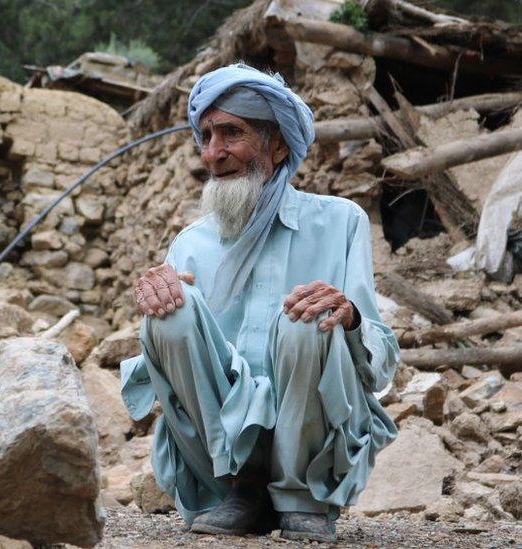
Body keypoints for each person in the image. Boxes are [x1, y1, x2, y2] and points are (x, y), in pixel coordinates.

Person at [119, 63, 399, 543]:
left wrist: (349, 316)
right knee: (171, 307)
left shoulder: (341, 222)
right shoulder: (191, 243)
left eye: (232, 133)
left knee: (310, 315)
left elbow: (380, 368)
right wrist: (158, 294)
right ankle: (236, 488)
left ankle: (301, 499)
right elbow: (167, 371)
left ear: (278, 146)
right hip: (217, 453)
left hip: (316, 446)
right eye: (206, 136)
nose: (214, 153)